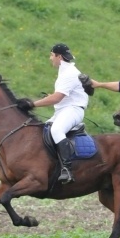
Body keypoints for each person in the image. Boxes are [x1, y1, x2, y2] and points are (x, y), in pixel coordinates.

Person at [18, 43, 89, 184]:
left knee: (56, 130)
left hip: (73, 110)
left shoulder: (69, 73)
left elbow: (57, 98)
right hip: (65, 109)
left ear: (59, 56)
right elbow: (62, 96)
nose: (50, 58)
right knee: (45, 130)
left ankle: (67, 170)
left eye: (51, 55)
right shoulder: (65, 71)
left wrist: (32, 104)